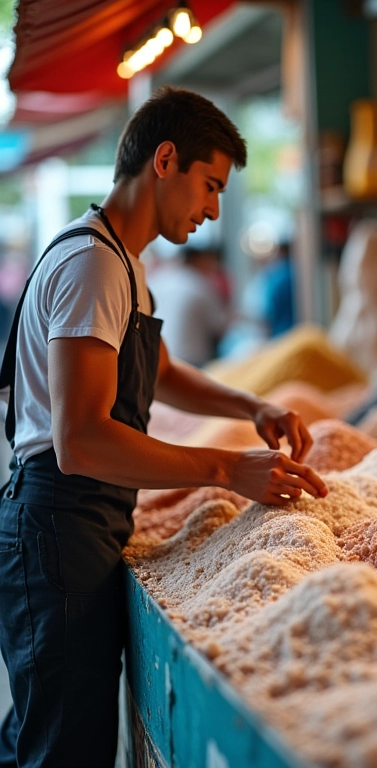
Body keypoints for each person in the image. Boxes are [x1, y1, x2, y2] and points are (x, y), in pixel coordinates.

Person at [0, 86, 327, 768]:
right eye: (209, 186)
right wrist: (229, 470)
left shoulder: (125, 262)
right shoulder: (92, 264)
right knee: (59, 749)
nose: (213, 210)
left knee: (60, 733)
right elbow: (81, 438)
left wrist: (251, 408)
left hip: (80, 524)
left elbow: (162, 372)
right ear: (166, 159)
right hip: (56, 524)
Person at [148, 246, 229, 367]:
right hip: (190, 363)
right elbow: (219, 327)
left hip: (155, 360)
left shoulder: (157, 280)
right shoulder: (201, 285)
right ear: (198, 260)